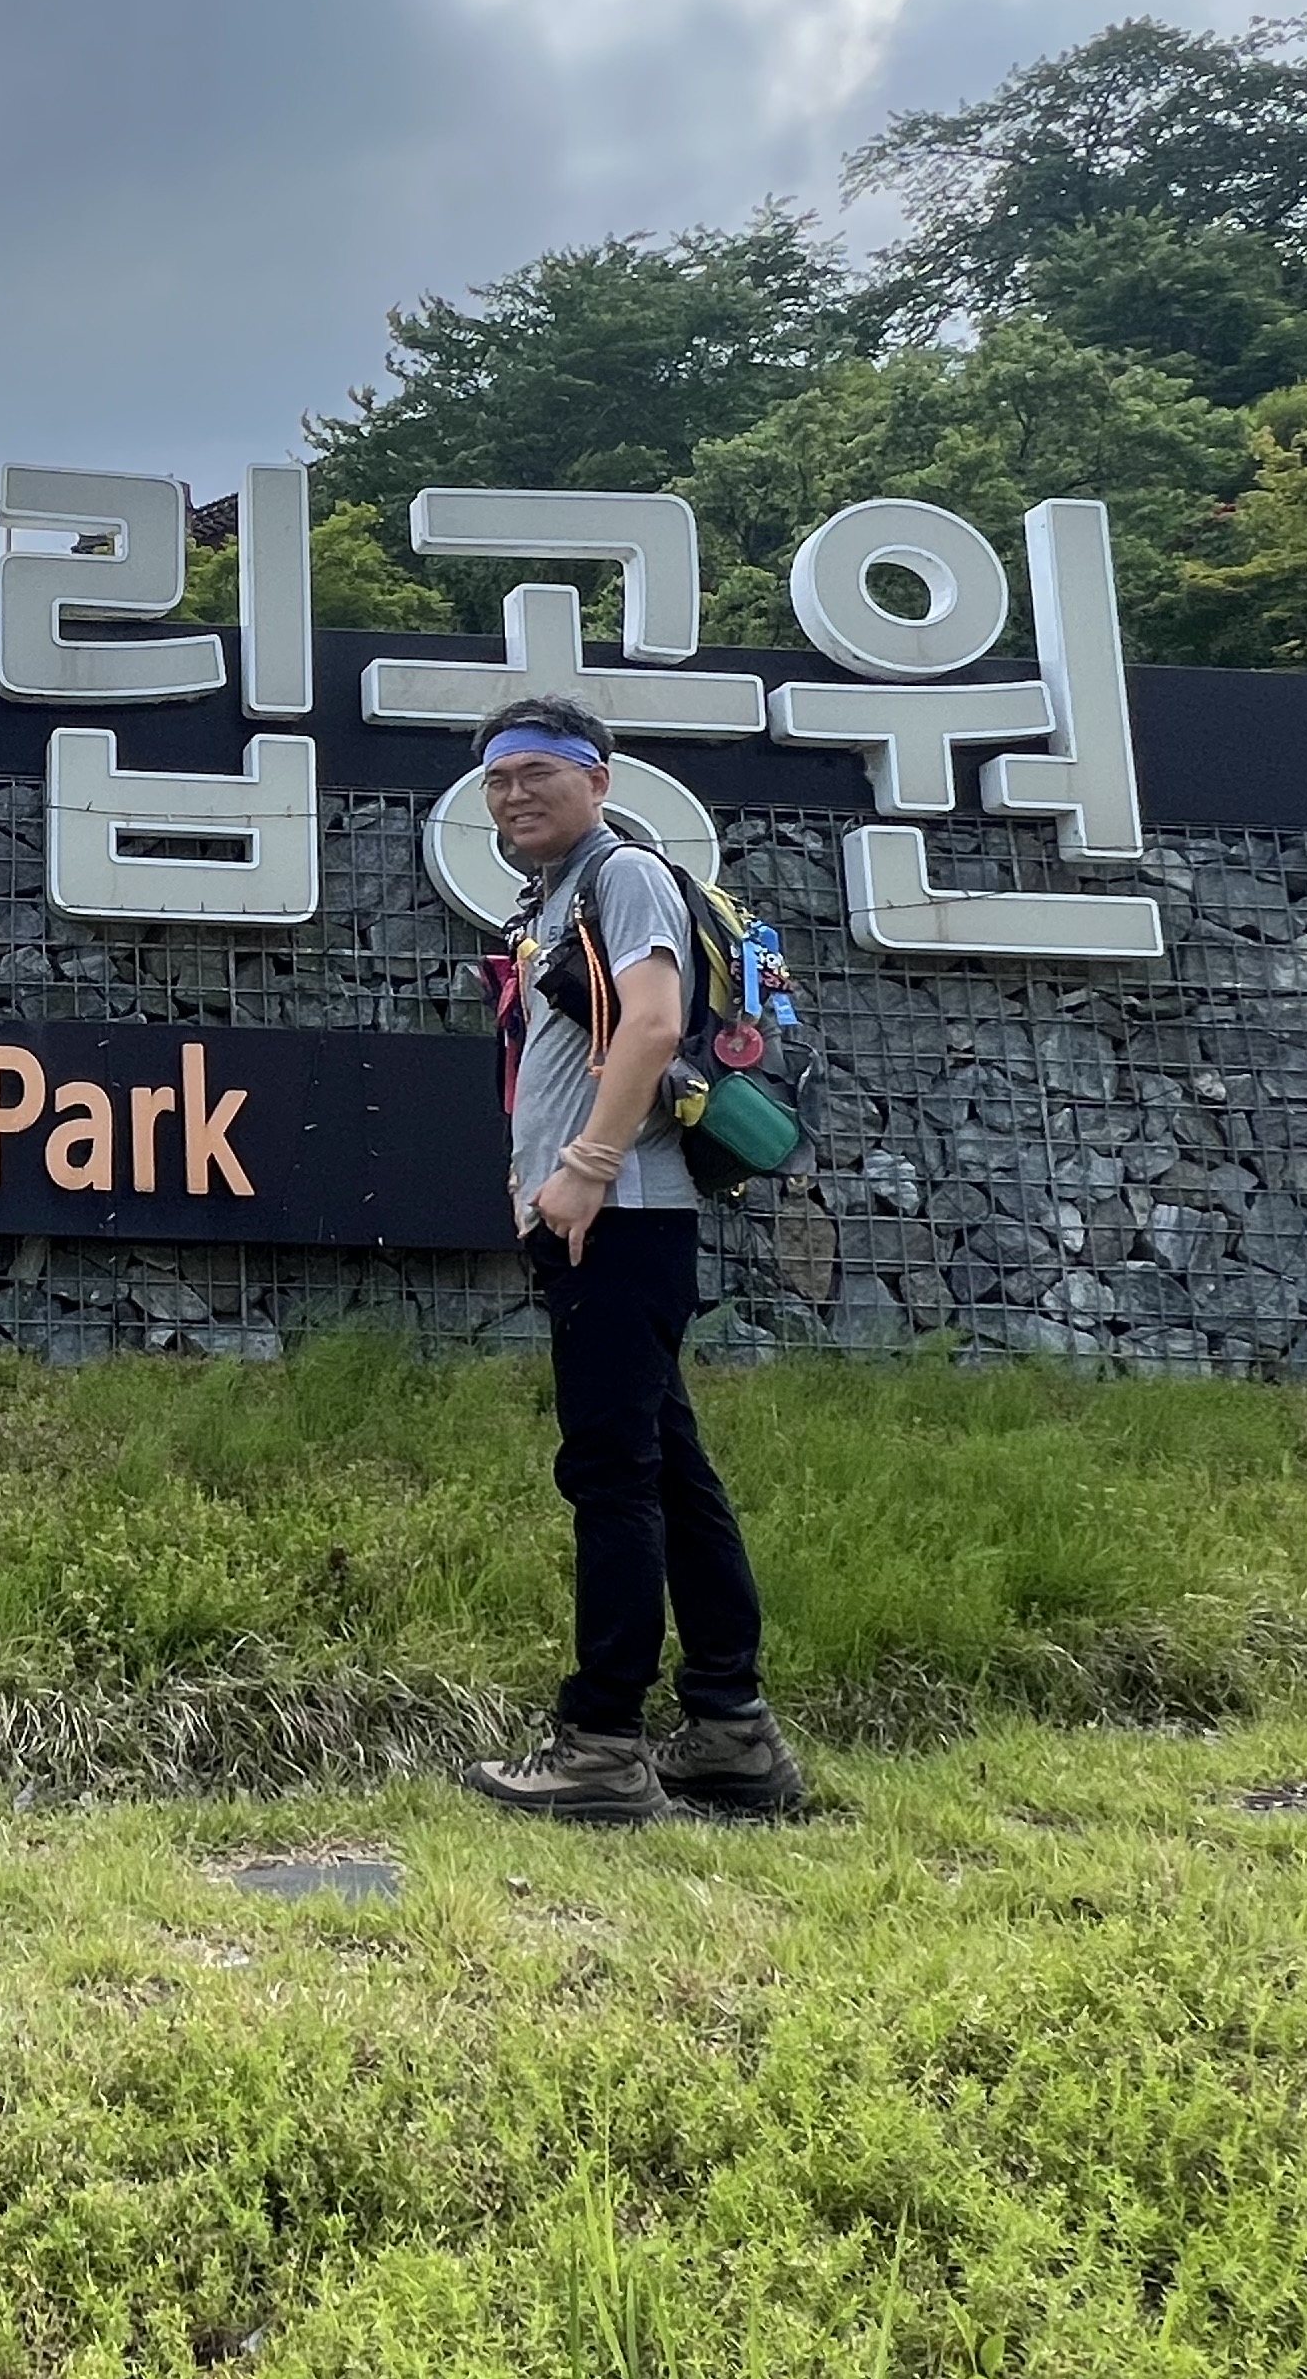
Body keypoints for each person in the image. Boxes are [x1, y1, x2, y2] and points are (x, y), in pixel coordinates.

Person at [456, 694, 805, 1825]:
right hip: (605, 1219)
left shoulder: (624, 875)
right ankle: (730, 1732)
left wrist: (588, 1165)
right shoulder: (557, 897)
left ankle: (603, 1744)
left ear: (597, 779)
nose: (514, 794)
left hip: (621, 1214)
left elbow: (652, 1025)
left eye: (538, 772)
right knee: (669, 1473)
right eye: (498, 779)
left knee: (610, 1476)